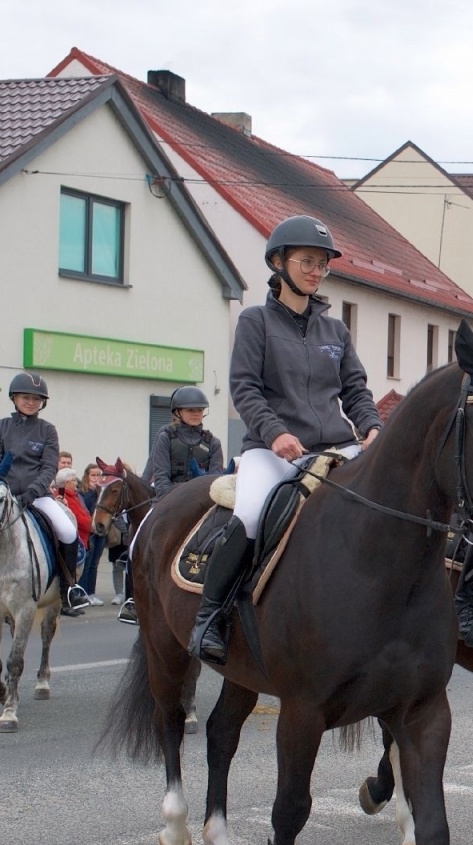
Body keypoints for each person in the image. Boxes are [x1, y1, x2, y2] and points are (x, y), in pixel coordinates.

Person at [193, 214, 382, 665]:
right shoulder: (255, 322)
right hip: (271, 449)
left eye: (323, 264)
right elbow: (244, 388)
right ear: (278, 262)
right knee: (253, 514)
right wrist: (275, 433)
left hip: (336, 445)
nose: (317, 271)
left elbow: (355, 389)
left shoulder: (335, 331)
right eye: (307, 262)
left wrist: (373, 427)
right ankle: (210, 617)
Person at [0, 371, 89, 617]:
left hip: (36, 496)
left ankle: (69, 588)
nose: (30, 402)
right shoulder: (0, 427)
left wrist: (32, 492)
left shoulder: (47, 430)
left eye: (36, 399)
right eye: (25, 397)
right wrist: (0, 491)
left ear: (42, 403)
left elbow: (49, 466)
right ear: (14, 398)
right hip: (2, 498)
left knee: (68, 531)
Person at [146, 386, 225, 498]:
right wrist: (169, 501)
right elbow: (161, 476)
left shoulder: (214, 443)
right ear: (178, 412)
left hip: (202, 500)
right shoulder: (165, 438)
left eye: (200, 410)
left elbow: (214, 480)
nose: (196, 414)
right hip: (170, 498)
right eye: (190, 410)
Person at [79, 464, 108, 608]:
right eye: (93, 475)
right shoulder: (83, 492)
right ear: (87, 476)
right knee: (87, 563)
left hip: (100, 531)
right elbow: (87, 508)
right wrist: (92, 491)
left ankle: (91, 593)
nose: (96, 478)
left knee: (95, 563)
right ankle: (83, 593)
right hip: (89, 532)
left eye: (98, 475)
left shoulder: (102, 492)